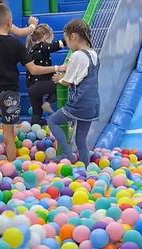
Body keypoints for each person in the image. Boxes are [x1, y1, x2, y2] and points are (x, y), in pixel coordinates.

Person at [0, 4, 58, 161]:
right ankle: (11, 165)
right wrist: (58, 67)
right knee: (9, 135)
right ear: (9, 21)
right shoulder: (17, 45)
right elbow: (33, 69)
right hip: (11, 94)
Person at [49, 19, 99, 166]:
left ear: (73, 37)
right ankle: (86, 169)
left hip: (80, 103)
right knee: (80, 139)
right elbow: (83, 76)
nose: (68, 45)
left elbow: (68, 80)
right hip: (93, 104)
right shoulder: (93, 54)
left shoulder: (77, 55)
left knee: (52, 121)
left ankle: (67, 153)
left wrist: (60, 79)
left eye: (67, 41)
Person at [26, 24, 65, 125]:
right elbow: (54, 46)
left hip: (31, 88)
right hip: (39, 84)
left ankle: (34, 127)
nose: (51, 42)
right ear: (46, 37)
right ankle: (47, 103)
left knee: (37, 113)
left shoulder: (32, 49)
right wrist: (66, 41)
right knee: (61, 83)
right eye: (51, 39)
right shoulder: (41, 46)